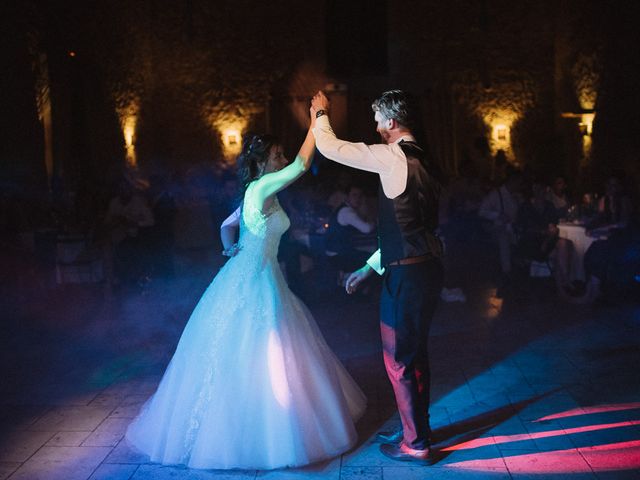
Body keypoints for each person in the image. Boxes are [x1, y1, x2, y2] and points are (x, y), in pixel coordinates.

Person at [125, 115, 366, 469]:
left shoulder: (256, 189)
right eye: (278, 154)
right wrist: (317, 121)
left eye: (283, 154)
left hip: (254, 271)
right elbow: (302, 164)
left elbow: (228, 224)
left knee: (267, 349)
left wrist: (230, 249)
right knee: (255, 349)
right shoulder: (265, 185)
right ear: (266, 159)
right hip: (255, 279)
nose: (283, 160)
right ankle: (257, 432)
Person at [311, 89, 444, 465]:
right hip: (428, 269)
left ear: (392, 122)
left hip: (407, 275)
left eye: (377, 120)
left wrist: (321, 113)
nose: (374, 127)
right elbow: (409, 228)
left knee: (398, 359)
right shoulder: (430, 161)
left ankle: (415, 444)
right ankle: (418, 429)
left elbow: (332, 148)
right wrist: (369, 267)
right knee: (416, 355)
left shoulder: (391, 157)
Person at [325, 184, 376, 273]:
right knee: (374, 262)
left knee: (369, 253)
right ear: (347, 197)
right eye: (354, 195)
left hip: (335, 252)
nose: (358, 198)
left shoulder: (345, 208)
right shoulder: (347, 212)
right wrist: (373, 220)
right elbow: (367, 229)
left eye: (360, 196)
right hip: (338, 255)